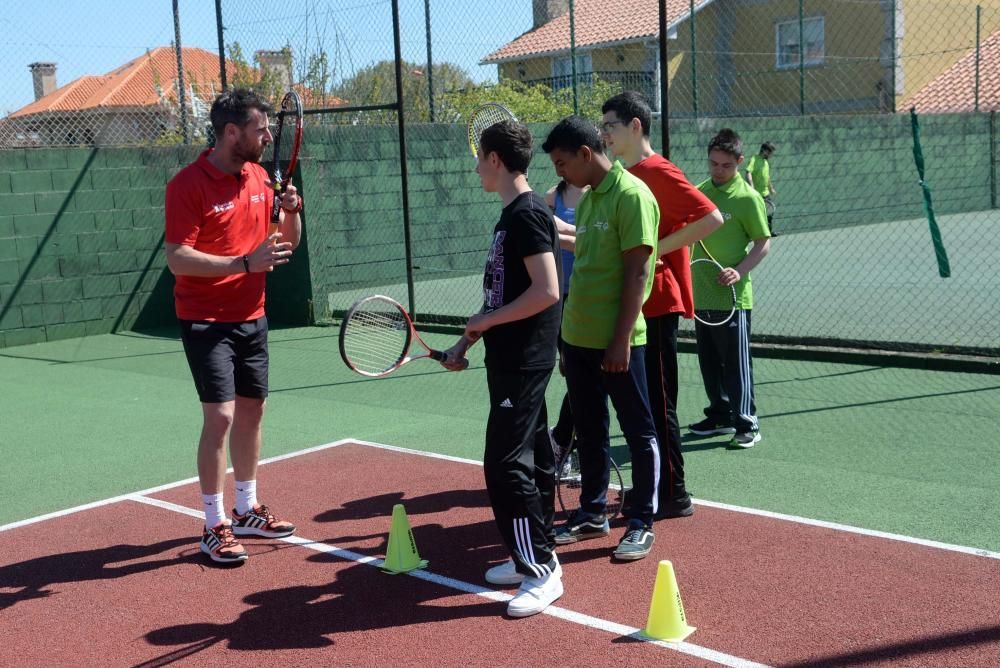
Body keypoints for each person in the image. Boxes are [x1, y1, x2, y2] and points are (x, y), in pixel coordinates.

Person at [164, 88, 303, 564]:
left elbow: (286, 245)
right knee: (220, 417)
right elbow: (178, 259)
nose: (267, 136)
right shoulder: (187, 185)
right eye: (260, 129)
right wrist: (244, 262)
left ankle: (247, 510)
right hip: (204, 319)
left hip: (252, 317)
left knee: (252, 412)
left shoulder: (261, 177)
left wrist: (290, 212)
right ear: (231, 132)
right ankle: (213, 524)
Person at [440, 120, 563, 617]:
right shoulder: (514, 214)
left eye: (479, 158)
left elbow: (547, 290)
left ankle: (541, 569)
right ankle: (528, 554)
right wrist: (463, 342)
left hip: (525, 359)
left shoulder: (527, 215)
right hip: (507, 356)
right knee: (533, 456)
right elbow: (499, 297)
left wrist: (486, 321)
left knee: (505, 464)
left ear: (495, 159)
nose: (475, 168)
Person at [542, 116, 661, 561]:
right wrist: (569, 345)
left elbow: (638, 272)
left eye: (562, 162)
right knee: (589, 431)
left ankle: (641, 522)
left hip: (619, 341)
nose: (559, 172)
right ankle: (592, 513)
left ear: (585, 154)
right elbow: (589, 256)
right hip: (578, 339)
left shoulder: (632, 196)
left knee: (639, 431)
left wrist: (621, 340)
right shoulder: (590, 200)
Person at [599, 91, 723, 519]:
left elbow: (712, 217)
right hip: (636, 305)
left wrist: (654, 249)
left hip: (659, 304)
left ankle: (673, 493)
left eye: (611, 125)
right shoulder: (624, 174)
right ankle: (650, 489)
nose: (605, 134)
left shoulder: (658, 171)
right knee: (639, 402)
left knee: (658, 400)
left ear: (636, 126)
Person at [690, 129, 771, 448]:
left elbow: (763, 244)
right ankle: (720, 414)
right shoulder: (699, 192)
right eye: (713, 164)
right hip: (702, 293)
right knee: (709, 360)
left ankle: (746, 421)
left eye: (725, 165)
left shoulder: (748, 199)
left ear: (739, 161)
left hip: (734, 298)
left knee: (736, 363)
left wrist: (739, 272)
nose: (717, 171)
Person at [544, 180, 585, 462]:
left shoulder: (598, 195)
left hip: (588, 293)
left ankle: (564, 440)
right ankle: (564, 443)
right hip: (561, 295)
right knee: (572, 371)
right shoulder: (552, 196)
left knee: (586, 376)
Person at [745, 142, 776, 235]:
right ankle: (753, 233)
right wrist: (752, 187)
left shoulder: (766, 162)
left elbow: (767, 176)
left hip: (765, 193)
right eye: (770, 153)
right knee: (756, 215)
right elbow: (748, 172)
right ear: (765, 151)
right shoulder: (754, 159)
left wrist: (771, 188)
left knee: (769, 214)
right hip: (756, 194)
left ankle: (769, 232)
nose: (771, 155)